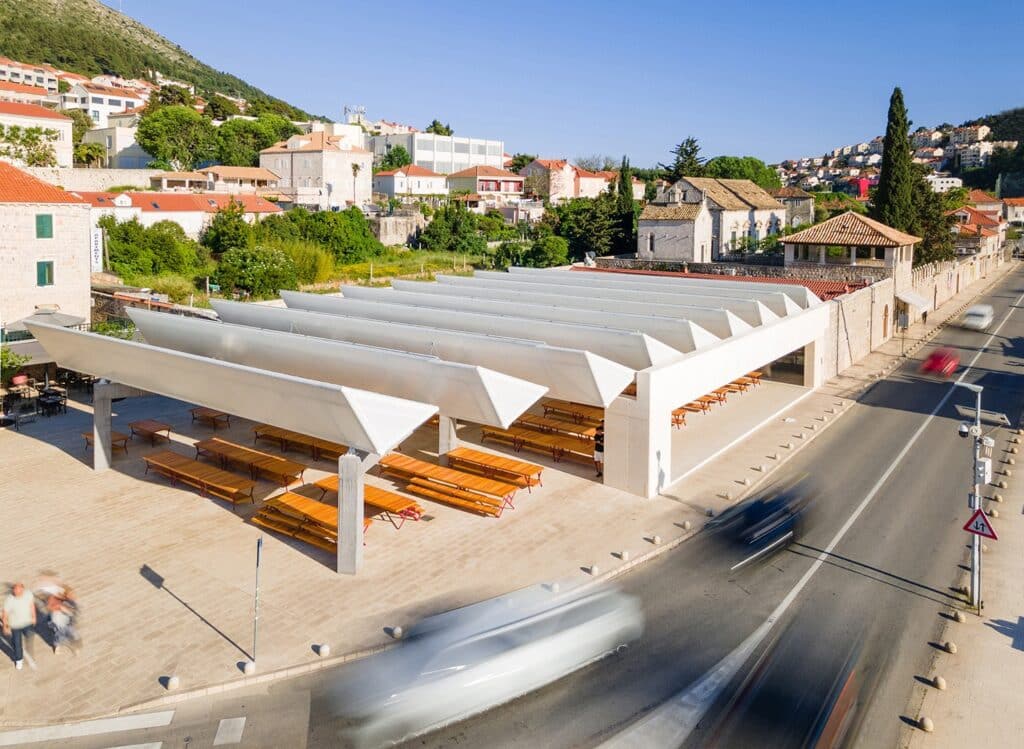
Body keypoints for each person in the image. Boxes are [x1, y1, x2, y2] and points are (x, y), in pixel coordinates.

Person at [3, 582, 37, 670]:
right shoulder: (9, 599)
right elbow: (5, 614)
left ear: (23, 589)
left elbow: (32, 605)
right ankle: (19, 660)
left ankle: (30, 654)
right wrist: (5, 626)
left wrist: (34, 617)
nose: (16, 593)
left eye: (18, 591)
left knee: (29, 638)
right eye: (15, 591)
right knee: (17, 644)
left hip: (27, 623)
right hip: (15, 626)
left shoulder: (28, 594)